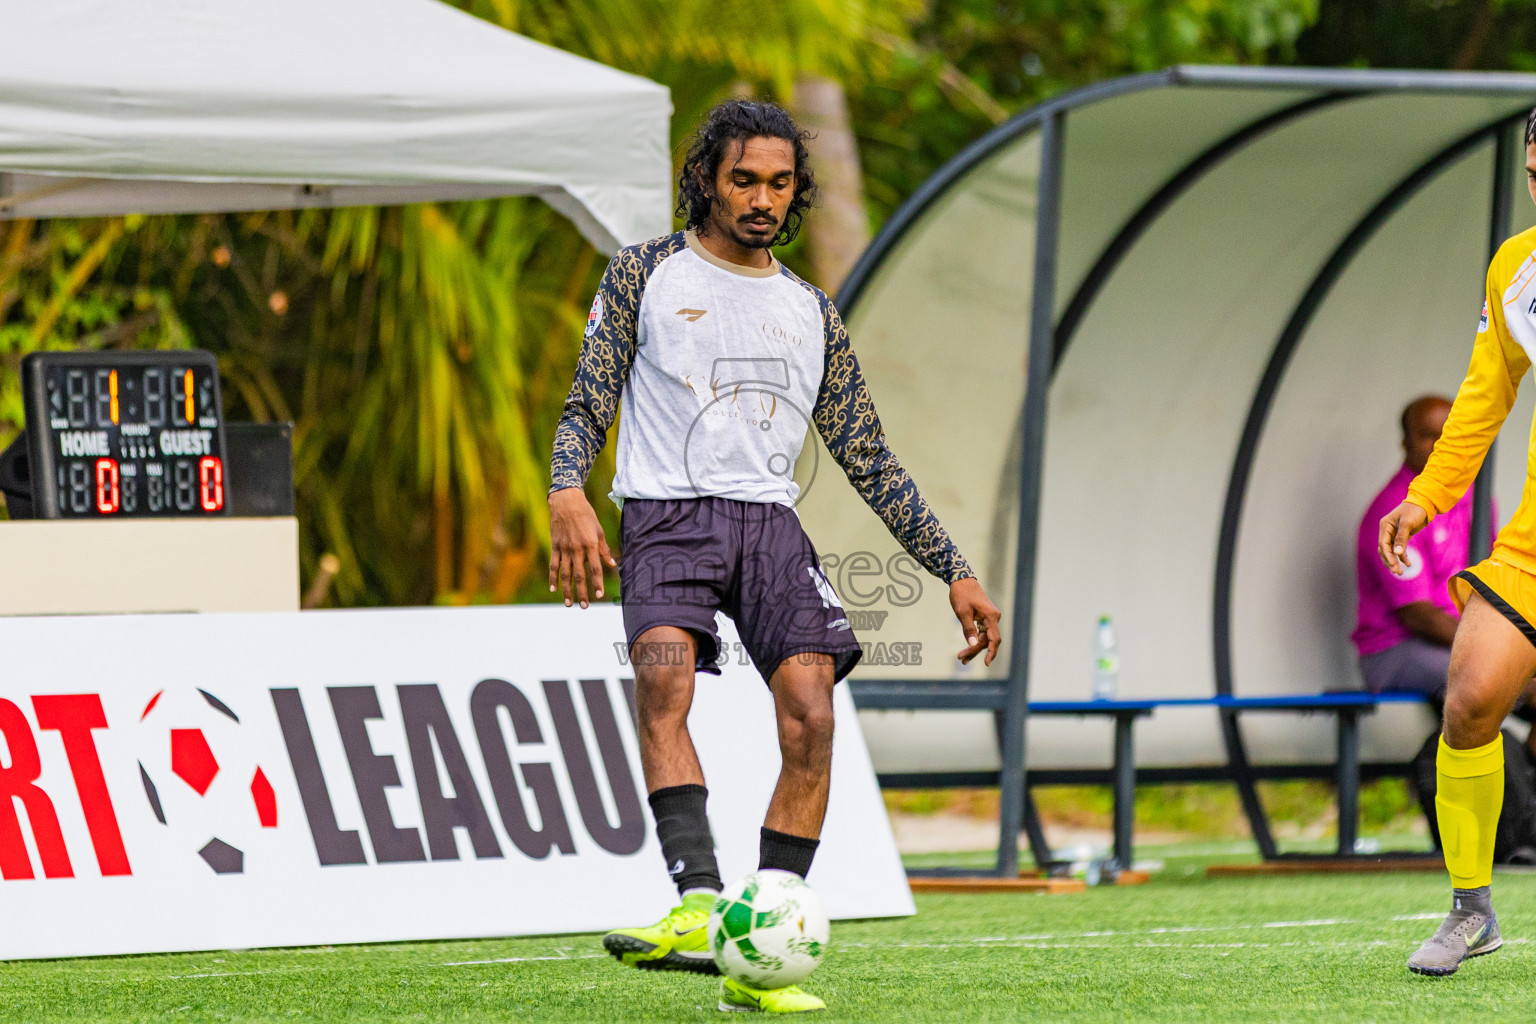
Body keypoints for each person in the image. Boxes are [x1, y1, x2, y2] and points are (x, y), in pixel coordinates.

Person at [547, 100, 1001, 1014]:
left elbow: (867, 457)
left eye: (779, 183)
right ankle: (697, 904)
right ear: (708, 179)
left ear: (796, 192)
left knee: (810, 719)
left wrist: (953, 570)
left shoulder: (812, 314)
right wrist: (567, 489)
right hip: (667, 520)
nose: (761, 198)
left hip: (770, 531)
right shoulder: (644, 272)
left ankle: (764, 940)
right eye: (743, 179)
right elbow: (589, 398)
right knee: (665, 686)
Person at [1378, 107, 1536, 977]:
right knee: (1470, 699)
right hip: (1531, 550)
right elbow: (1483, 399)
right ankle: (1472, 911)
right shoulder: (1518, 267)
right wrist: (1427, 496)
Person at [1354, 395, 1473, 701]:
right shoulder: (1396, 509)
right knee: (1503, 679)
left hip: (1452, 642)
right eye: (1427, 437)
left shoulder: (1471, 496)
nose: (1439, 447)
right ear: (1405, 443)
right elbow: (1418, 616)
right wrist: (1486, 645)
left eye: (1447, 436)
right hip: (1396, 649)